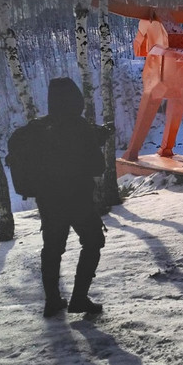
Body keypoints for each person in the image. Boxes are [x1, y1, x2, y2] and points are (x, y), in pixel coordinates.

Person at [36, 77, 109, 318]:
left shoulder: (40, 128)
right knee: (93, 241)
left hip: (48, 200)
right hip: (77, 198)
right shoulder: (80, 127)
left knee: (52, 249)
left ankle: (52, 301)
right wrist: (97, 143)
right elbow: (97, 166)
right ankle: (79, 298)